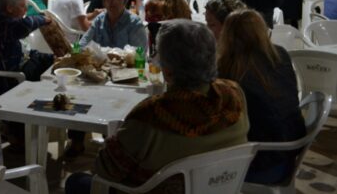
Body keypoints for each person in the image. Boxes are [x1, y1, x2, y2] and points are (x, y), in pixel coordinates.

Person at [65, 20, 249, 194]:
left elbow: (104, 170)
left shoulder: (152, 114)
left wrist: (114, 138)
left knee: (76, 181)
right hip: (218, 187)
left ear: (167, 71)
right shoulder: (233, 94)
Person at [217, 9, 306, 184]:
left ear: (227, 36)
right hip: (290, 149)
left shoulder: (231, 70)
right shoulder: (279, 54)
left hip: (260, 161)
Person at [0, 0, 52, 98]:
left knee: (54, 61)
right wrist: (44, 19)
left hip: (20, 62)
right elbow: (25, 25)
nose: (26, 9)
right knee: (51, 73)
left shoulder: (3, 18)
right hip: (9, 78)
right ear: (9, 8)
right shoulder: (1, 23)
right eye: (22, 6)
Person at [80, 0, 146, 49]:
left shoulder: (134, 23)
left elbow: (140, 52)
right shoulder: (99, 20)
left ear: (124, 2)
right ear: (105, 1)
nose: (114, 2)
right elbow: (84, 42)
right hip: (102, 59)